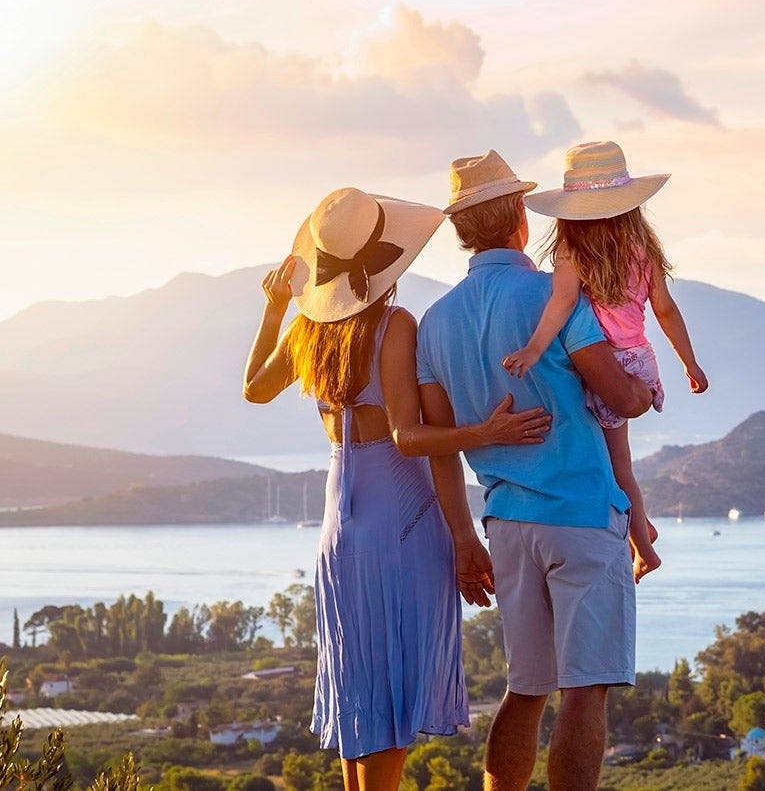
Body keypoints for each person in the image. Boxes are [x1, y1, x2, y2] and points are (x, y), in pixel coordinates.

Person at [242, 187, 551, 791]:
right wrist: (485, 432)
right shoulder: (394, 323)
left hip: (341, 530)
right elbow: (409, 438)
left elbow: (254, 387)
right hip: (401, 524)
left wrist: (276, 306)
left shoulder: (310, 330)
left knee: (362, 702)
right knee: (391, 707)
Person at [410, 150, 655, 791]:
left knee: (526, 689)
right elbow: (618, 400)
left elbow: (440, 445)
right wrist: (645, 387)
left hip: (507, 524)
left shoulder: (434, 323)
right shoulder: (557, 293)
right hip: (579, 515)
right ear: (522, 214)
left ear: (462, 230)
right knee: (586, 690)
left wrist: (465, 538)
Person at [508, 139, 707, 576]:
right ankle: (644, 523)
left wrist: (534, 349)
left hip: (606, 369)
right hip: (640, 360)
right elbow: (666, 310)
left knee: (617, 467)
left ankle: (644, 548)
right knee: (617, 460)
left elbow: (560, 306)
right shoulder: (643, 249)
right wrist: (689, 364)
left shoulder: (572, 252)